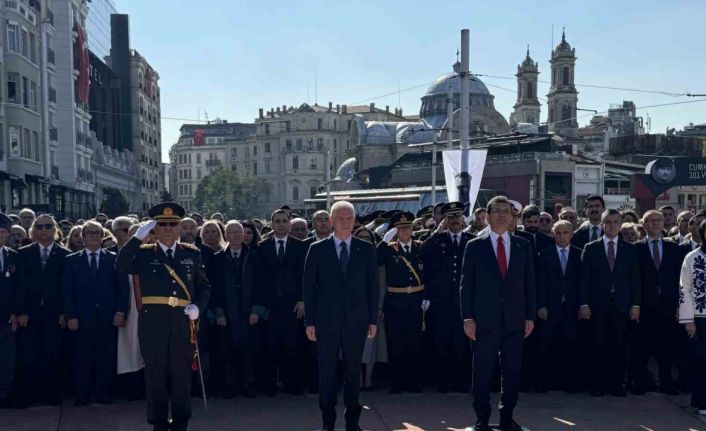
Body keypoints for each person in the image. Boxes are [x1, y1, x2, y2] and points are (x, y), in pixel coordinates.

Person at [116, 202, 210, 431]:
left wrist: (198, 306)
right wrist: (136, 238)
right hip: (153, 323)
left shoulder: (191, 254)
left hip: (181, 322)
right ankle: (158, 422)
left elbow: (204, 287)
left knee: (181, 376)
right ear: (154, 229)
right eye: (162, 224)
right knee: (155, 375)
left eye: (172, 224)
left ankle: (180, 422)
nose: (168, 228)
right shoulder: (143, 254)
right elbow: (120, 265)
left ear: (179, 228)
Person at [461, 195, 535, 431]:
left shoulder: (523, 245)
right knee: (482, 371)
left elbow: (530, 284)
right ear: (487, 216)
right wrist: (468, 317)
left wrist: (530, 316)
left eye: (507, 211)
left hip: (515, 320)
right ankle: (482, 419)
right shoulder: (475, 246)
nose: (502, 214)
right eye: (497, 210)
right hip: (484, 321)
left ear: (513, 216)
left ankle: (507, 418)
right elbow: (466, 285)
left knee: (512, 371)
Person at [304, 201, 378, 431]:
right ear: (331, 221)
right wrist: (310, 322)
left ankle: (352, 423)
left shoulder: (365, 249)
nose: (345, 223)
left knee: (353, 374)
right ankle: (328, 423)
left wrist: (373, 319)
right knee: (327, 375)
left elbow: (372, 287)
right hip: (326, 323)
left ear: (354, 221)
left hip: (356, 321)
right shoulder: (317, 249)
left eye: (349, 218)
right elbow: (309, 288)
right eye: (341, 218)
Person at [63, 220, 129, 406]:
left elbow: (122, 288)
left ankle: (104, 392)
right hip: (81, 318)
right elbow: (67, 291)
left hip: (108, 317)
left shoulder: (114, 258)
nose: (93, 236)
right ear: (82, 238)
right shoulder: (72, 260)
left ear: (103, 236)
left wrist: (120, 312)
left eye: (97, 233)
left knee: (105, 356)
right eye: (89, 233)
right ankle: (83, 394)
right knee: (81, 357)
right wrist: (71, 316)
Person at [579, 208, 640, 397]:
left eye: (615, 222)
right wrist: (584, 304)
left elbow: (635, 279)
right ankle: (598, 383)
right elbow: (584, 279)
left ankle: (616, 384)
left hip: (622, 305)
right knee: (597, 344)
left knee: (619, 345)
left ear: (620, 224)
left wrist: (636, 305)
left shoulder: (630, 249)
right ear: (602, 224)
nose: (612, 226)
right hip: (598, 304)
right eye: (608, 222)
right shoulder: (591, 248)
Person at [14, 215, 71, 407]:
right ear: (33, 230)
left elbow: (67, 287)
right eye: (40, 227)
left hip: (54, 313)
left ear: (55, 229)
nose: (44, 230)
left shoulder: (65, 255)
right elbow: (19, 285)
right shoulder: (23, 253)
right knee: (29, 354)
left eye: (48, 226)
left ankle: (51, 394)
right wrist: (21, 311)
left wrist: (65, 312)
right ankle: (31, 394)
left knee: (52, 353)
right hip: (29, 313)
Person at [420, 201, 474, 393]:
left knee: (461, 342)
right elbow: (423, 252)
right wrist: (437, 230)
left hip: (462, 300)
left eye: (457, 217)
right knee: (441, 340)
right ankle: (443, 380)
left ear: (463, 219)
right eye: (450, 217)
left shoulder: (471, 239)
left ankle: (461, 381)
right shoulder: (437, 240)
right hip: (441, 300)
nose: (454, 221)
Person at [629, 210, 683, 395]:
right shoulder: (636, 248)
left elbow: (679, 279)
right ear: (643, 224)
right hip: (644, 305)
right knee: (641, 347)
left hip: (668, 305)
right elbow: (633, 279)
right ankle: (640, 382)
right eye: (651, 221)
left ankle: (666, 383)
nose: (655, 223)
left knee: (667, 347)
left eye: (658, 220)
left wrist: (678, 305)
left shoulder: (674, 248)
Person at [256, 209, 307, 396]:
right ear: (271, 224)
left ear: (289, 223)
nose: (280, 224)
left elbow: (304, 276)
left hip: (292, 305)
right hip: (270, 305)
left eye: (284, 221)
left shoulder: (300, 247)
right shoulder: (262, 247)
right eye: (277, 221)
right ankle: (269, 387)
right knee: (270, 346)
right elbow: (259, 279)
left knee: (292, 345)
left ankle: (292, 385)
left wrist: (302, 299)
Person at [377, 211, 424, 393]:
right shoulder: (388, 249)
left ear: (412, 229)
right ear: (395, 230)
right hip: (395, 301)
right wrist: (383, 239)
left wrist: (426, 297)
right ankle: (397, 382)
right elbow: (374, 258)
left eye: (407, 227)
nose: (404, 231)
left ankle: (413, 382)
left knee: (414, 342)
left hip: (416, 301)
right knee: (395, 342)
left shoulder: (421, 247)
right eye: (400, 228)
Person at [211, 221, 259, 398]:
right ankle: (231, 385)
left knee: (248, 350)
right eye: (231, 232)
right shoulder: (217, 258)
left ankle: (249, 384)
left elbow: (261, 285)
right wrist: (218, 313)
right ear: (226, 235)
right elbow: (213, 287)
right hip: (227, 313)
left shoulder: (254, 256)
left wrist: (257, 310)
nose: (236, 235)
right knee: (228, 351)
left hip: (248, 313)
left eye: (239, 232)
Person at [536, 220, 581, 393]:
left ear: (572, 234)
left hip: (571, 307)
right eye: (558, 233)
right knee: (547, 344)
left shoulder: (579, 254)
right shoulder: (544, 254)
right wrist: (541, 305)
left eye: (565, 232)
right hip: (550, 307)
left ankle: (568, 383)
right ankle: (546, 382)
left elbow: (582, 282)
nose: (562, 236)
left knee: (570, 344)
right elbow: (540, 282)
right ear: (553, 234)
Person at [678, 218, 706, 416]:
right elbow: (684, 289)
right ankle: (702, 401)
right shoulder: (692, 257)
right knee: (701, 360)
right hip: (700, 317)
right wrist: (688, 320)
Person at [356, 226, 387, 391]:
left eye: (367, 237)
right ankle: (358, 380)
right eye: (360, 236)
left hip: (372, 309)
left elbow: (381, 287)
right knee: (354, 347)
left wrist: (379, 309)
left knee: (371, 346)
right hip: (352, 309)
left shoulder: (377, 261)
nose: (363, 239)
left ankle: (368, 380)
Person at [0, 213, 17, 408]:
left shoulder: (12, 256)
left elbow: (17, 287)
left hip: (6, 317)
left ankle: (4, 395)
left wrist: (15, 311)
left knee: (6, 359)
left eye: (3, 232)